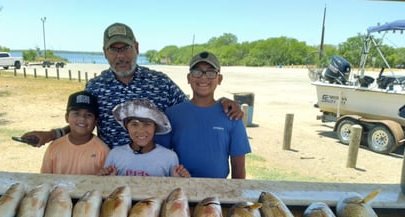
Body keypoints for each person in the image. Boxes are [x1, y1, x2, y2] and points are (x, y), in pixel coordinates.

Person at [21, 23, 243, 149]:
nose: (121, 56)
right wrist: (52, 134)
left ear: (136, 47)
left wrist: (222, 103)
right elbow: (83, 123)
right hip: (111, 167)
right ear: (105, 53)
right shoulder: (95, 87)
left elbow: (192, 107)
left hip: (156, 167)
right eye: (114, 50)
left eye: (125, 48)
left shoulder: (160, 82)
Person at [156, 51, 251, 179]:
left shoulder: (232, 116)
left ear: (219, 79)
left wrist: (237, 197)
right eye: (197, 72)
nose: (203, 78)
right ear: (189, 78)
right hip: (180, 187)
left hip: (218, 191)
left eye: (211, 72)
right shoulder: (172, 114)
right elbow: (160, 158)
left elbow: (238, 167)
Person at [100, 99, 189, 177]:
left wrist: (179, 180)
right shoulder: (115, 155)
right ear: (127, 127)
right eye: (134, 124)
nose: (141, 131)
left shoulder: (169, 157)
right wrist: (106, 178)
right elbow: (108, 187)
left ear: (156, 127)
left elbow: (174, 190)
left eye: (147, 124)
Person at [40, 91, 110, 175]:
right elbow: (45, 178)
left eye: (88, 115)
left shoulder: (102, 150)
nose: (82, 118)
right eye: (76, 114)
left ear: (96, 121)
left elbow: (106, 181)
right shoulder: (54, 147)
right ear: (67, 118)